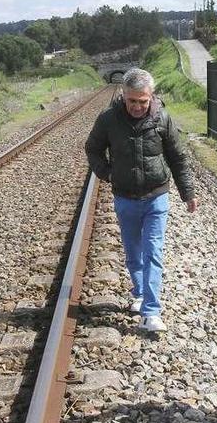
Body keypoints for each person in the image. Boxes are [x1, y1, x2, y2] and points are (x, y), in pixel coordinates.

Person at [85, 68, 198, 333]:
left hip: (156, 196)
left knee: (153, 251)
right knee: (133, 250)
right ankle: (139, 292)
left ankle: (151, 311)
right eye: (132, 100)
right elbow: (92, 148)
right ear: (124, 95)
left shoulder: (163, 119)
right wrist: (108, 173)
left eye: (143, 101)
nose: (137, 106)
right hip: (125, 197)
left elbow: (178, 158)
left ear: (151, 96)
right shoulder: (109, 119)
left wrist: (188, 193)